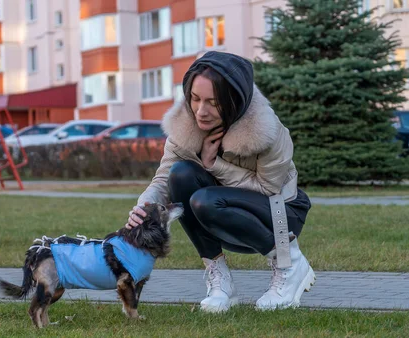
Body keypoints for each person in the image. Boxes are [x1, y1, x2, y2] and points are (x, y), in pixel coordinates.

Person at [126, 51, 313, 312]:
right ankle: (221, 281)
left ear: (233, 101)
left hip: (280, 218)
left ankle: (290, 263)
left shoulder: (267, 132)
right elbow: (163, 178)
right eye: (195, 99)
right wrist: (144, 206)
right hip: (217, 216)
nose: (201, 111)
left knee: (206, 201)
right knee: (180, 174)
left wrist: (215, 165)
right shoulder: (184, 128)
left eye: (213, 102)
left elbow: (269, 190)